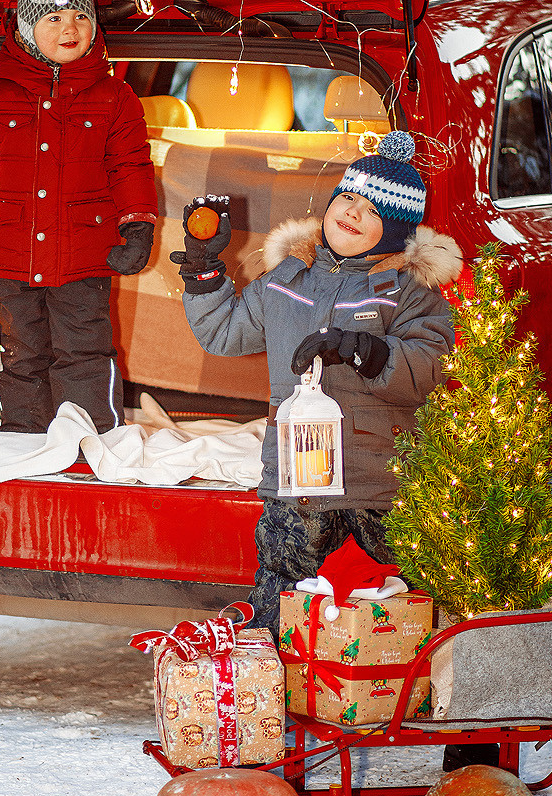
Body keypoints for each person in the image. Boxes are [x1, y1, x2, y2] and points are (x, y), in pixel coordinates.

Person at [171, 131, 462, 636]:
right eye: (346, 198)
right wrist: (203, 272)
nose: (351, 213)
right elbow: (224, 332)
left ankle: (385, 697)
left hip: (380, 486)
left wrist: (363, 349)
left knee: (395, 608)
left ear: (395, 231)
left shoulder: (409, 293)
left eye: (371, 211)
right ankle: (280, 700)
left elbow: (428, 368)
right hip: (296, 480)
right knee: (283, 601)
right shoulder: (287, 278)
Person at [0, 0, 156, 433]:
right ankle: (25, 438)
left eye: (81, 15)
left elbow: (130, 166)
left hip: (83, 254)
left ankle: (90, 441)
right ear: (25, 26)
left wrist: (138, 226)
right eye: (54, 18)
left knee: (84, 351)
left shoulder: (114, 97)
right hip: (7, 255)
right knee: (20, 354)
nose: (70, 28)